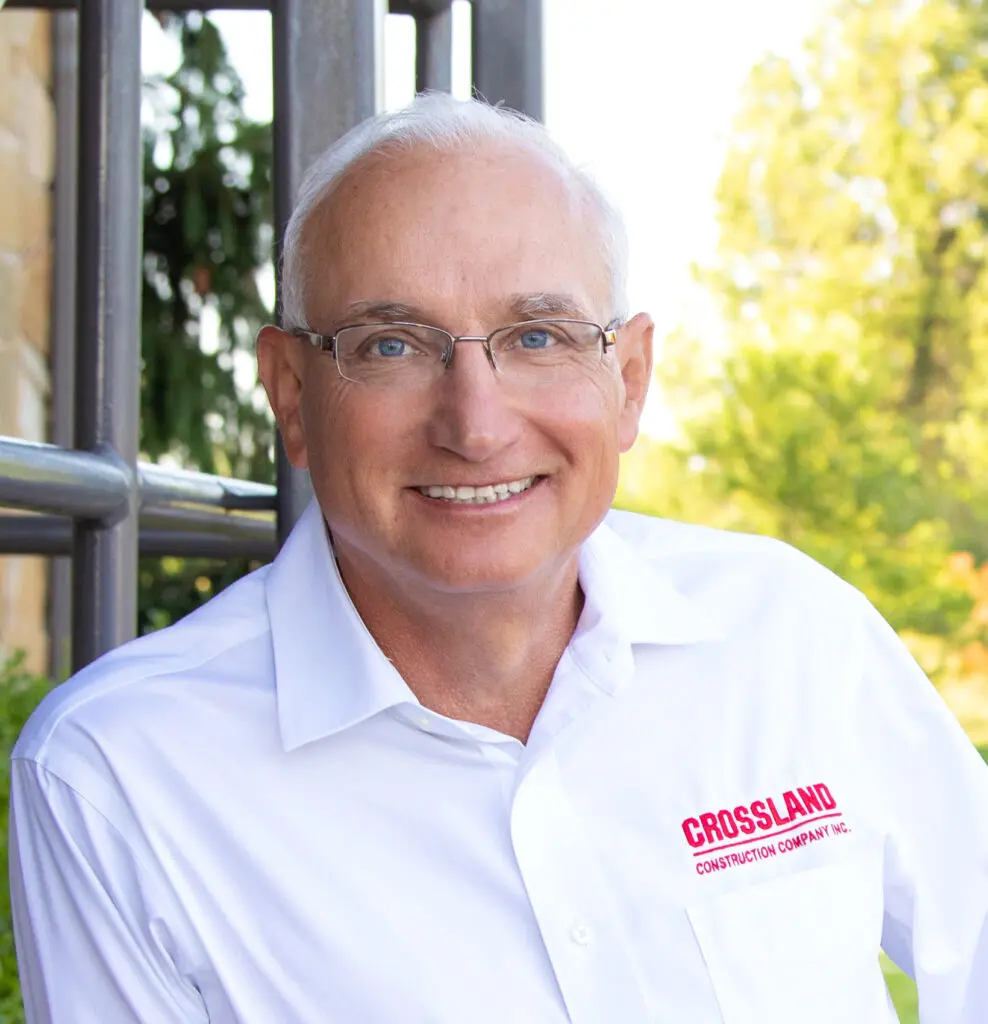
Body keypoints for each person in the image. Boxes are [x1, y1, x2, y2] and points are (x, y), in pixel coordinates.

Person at [8, 93, 988, 1024]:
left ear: (630, 379)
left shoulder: (791, 633)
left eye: (537, 335)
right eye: (392, 345)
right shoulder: (123, 776)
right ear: (293, 394)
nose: (475, 426)